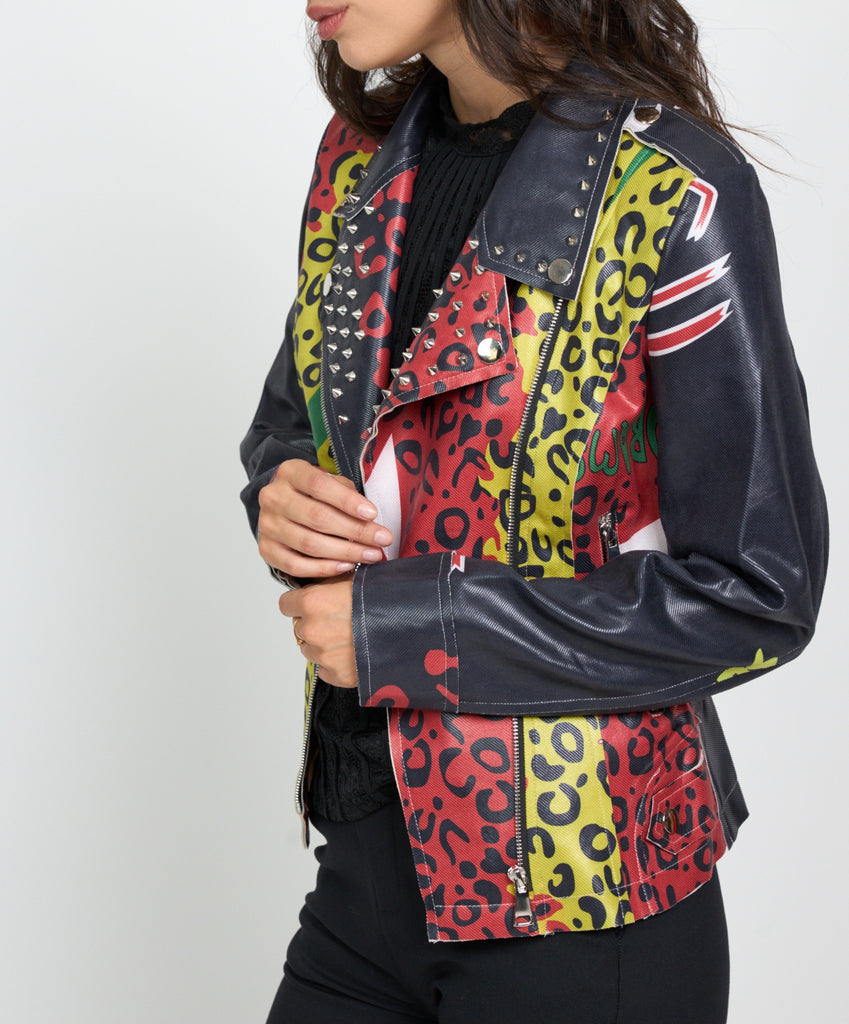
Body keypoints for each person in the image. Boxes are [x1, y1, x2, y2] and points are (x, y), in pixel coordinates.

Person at [240, 1, 828, 1021]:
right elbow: (294, 422)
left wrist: (409, 629)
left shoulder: (670, 191)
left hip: (579, 897)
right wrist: (280, 488)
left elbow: (758, 591)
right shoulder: (356, 160)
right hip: (365, 868)